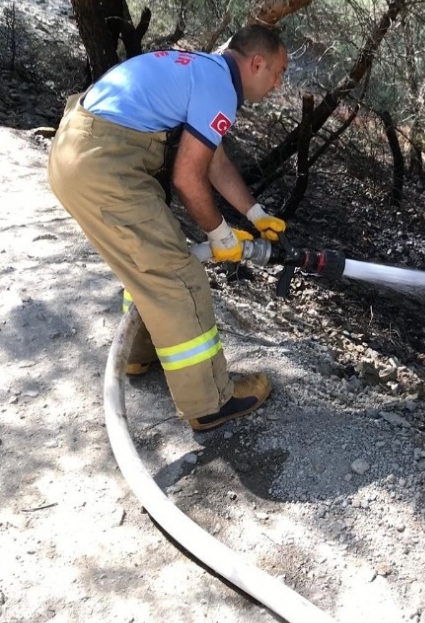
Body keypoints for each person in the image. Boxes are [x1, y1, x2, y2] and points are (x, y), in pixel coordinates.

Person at [48, 25, 289, 431]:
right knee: (179, 279)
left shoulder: (206, 70)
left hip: (78, 149)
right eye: (279, 72)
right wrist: (221, 236)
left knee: (151, 264)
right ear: (256, 62)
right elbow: (187, 178)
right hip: (103, 165)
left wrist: (255, 212)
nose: (279, 83)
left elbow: (214, 162)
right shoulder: (221, 89)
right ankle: (210, 403)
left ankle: (140, 352)